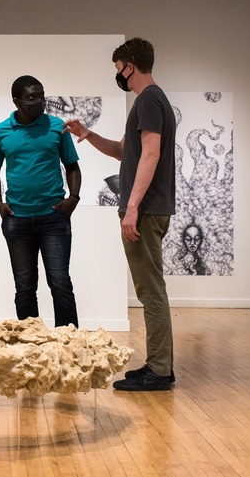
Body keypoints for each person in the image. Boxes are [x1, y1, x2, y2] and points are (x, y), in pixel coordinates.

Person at [64, 38, 177, 391]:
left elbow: (151, 154)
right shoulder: (153, 102)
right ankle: (159, 365)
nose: (119, 76)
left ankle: (159, 371)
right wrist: (88, 135)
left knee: (151, 291)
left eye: (118, 69)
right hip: (149, 208)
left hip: (144, 210)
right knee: (151, 288)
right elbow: (122, 151)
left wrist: (132, 208)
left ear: (130, 64)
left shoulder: (148, 99)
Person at [0, 75, 82, 328]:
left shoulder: (56, 126)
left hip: (54, 218)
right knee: (25, 287)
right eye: (31, 97)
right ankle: (33, 345)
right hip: (17, 221)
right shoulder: (0, 133)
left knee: (60, 282)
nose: (38, 101)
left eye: (41, 95)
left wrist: (73, 198)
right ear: (16, 101)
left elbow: (72, 166)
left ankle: (69, 345)